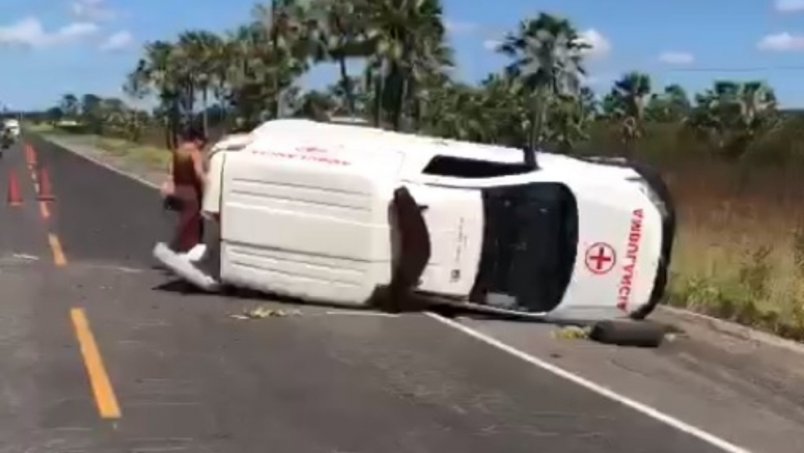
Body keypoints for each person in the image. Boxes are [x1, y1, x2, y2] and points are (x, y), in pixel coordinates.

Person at [160, 126, 208, 253]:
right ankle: (187, 250)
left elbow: (171, 172)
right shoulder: (195, 153)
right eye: (203, 141)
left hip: (178, 190)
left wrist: (168, 187)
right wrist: (209, 184)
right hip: (191, 193)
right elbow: (199, 173)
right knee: (192, 224)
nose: (203, 144)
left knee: (183, 221)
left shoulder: (177, 152)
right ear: (197, 140)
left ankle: (177, 247)